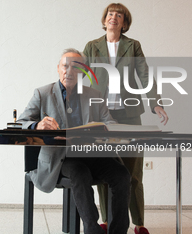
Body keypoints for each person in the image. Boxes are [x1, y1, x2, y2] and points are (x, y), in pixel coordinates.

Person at [17, 48, 131, 234]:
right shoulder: (42, 93)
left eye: (75, 67)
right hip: (61, 158)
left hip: (93, 155)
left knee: (122, 175)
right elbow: (21, 123)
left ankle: (118, 231)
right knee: (80, 172)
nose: (69, 71)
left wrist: (108, 129)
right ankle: (92, 229)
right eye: (65, 66)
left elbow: (110, 122)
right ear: (58, 68)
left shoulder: (94, 95)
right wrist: (37, 126)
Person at [83, 3, 169, 234]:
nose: (113, 17)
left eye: (118, 15)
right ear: (104, 19)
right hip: (100, 116)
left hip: (129, 115)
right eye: (110, 14)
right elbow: (79, 74)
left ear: (124, 22)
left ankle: (139, 223)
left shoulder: (133, 46)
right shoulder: (92, 47)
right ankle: (105, 219)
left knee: (132, 172)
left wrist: (155, 102)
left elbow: (144, 74)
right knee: (103, 169)